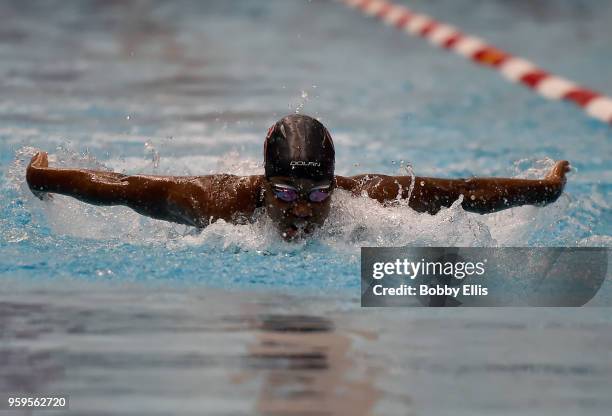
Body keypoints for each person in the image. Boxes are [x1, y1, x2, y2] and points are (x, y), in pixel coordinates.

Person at [26, 114, 570, 240]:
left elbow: (462, 194)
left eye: (316, 193)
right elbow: (125, 189)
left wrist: (543, 192)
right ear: (263, 185)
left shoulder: (369, 199)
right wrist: (46, 179)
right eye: (285, 193)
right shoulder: (215, 205)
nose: (303, 209)